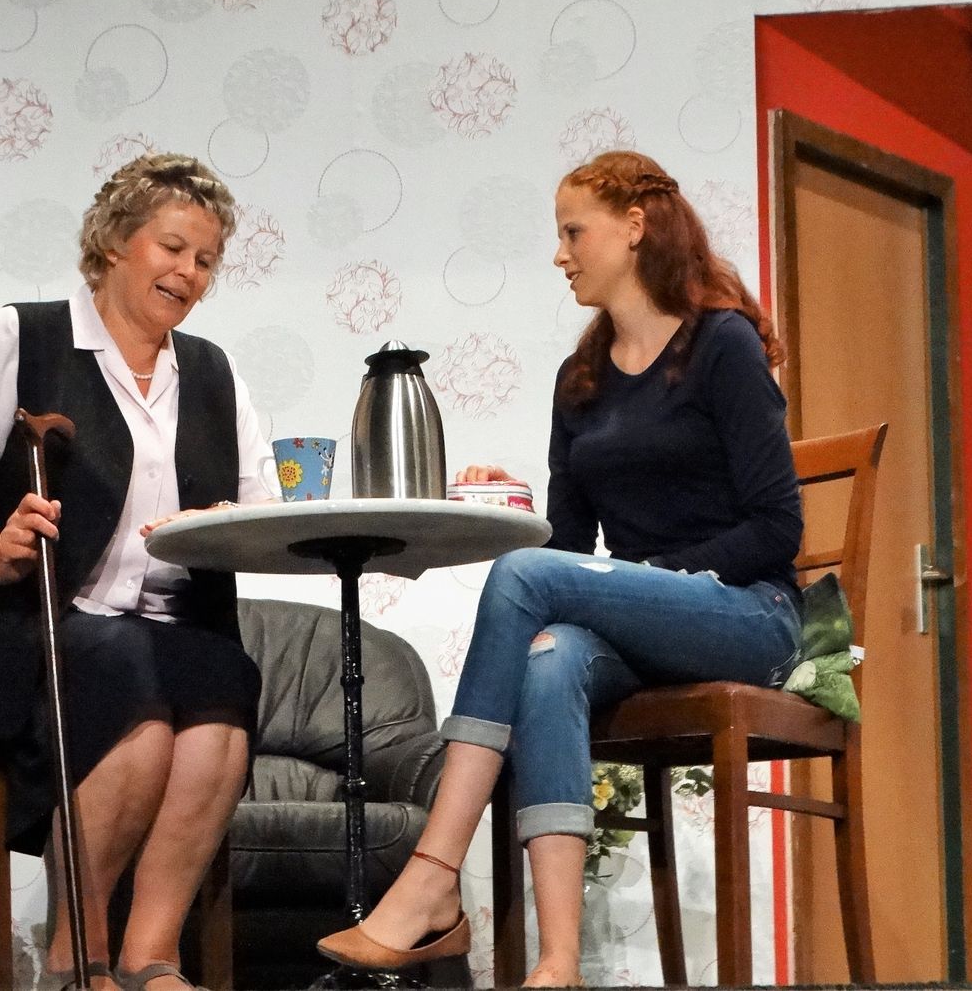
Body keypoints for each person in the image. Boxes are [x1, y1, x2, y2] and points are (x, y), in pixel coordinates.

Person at [318, 150, 804, 986]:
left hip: (750, 615)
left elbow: (778, 528)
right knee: (548, 658)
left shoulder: (721, 346)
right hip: (650, 622)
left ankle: (432, 875)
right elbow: (570, 549)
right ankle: (560, 964)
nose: (559, 254)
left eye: (573, 232)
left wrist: (656, 577)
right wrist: (502, 499)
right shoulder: (579, 380)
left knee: (524, 578)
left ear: (634, 227)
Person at [0, 153, 278, 991]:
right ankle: (80, 958)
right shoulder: (21, 339)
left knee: (224, 679)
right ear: (114, 242)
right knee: (129, 673)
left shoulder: (212, 373)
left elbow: (257, 518)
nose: (189, 273)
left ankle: (152, 956)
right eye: (173, 248)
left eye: (207, 260)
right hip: (21, 625)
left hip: (163, 633)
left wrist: (220, 525)